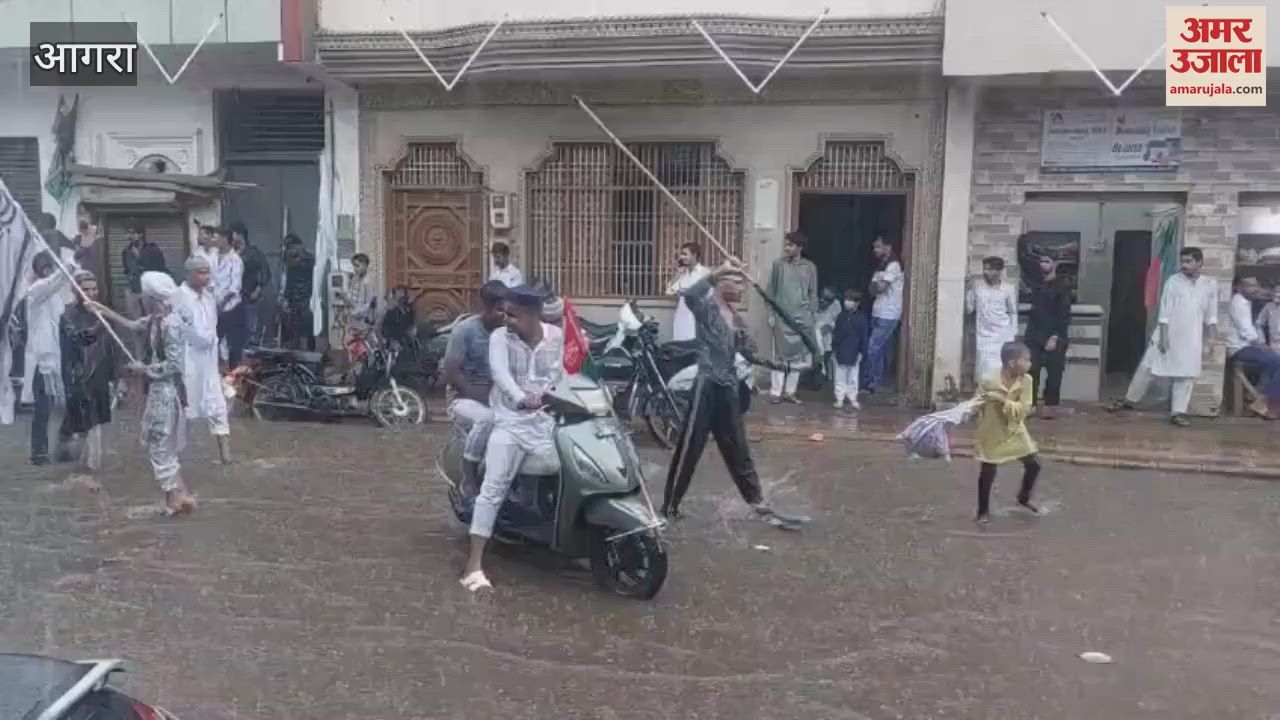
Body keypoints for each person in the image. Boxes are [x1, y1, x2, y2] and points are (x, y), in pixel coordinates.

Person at [662, 257, 796, 527]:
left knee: (738, 448)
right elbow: (688, 295)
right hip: (707, 384)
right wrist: (716, 271)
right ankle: (669, 506)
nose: (741, 287)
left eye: (742, 282)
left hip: (729, 387)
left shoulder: (736, 318)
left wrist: (784, 365)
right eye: (735, 281)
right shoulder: (707, 308)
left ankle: (756, 501)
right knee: (690, 447)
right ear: (721, 284)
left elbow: (750, 353)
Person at [461, 284, 564, 592]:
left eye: (513, 315)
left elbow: (562, 372)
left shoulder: (556, 337)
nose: (506, 319)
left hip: (547, 423)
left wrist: (559, 393)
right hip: (510, 423)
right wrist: (521, 398)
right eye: (504, 313)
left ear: (534, 316)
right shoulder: (499, 338)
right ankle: (473, 565)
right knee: (493, 488)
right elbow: (500, 374)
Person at [1106, 247, 1218, 427]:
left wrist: (1212, 339)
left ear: (1199, 262)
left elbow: (1211, 315)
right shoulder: (1173, 281)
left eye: (1189, 261)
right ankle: (1129, 400)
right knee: (1148, 367)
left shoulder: (1209, 284)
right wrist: (1164, 337)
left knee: (1186, 375)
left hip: (1192, 336)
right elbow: (1164, 312)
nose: (1184, 265)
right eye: (1183, 261)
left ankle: (1178, 412)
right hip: (1167, 333)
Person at [444, 281, 507, 495]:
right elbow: (451, 373)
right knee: (487, 419)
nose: (504, 316)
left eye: (507, 310)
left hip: (500, 399)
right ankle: (469, 478)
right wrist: (481, 396)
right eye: (499, 310)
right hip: (464, 399)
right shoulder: (465, 331)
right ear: (486, 308)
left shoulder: (509, 332)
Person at [973, 341, 1042, 525]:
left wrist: (1002, 400)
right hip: (992, 429)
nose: (1029, 364)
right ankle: (982, 511)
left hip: (1015, 428)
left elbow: (1023, 410)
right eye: (1026, 360)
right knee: (988, 470)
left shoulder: (1027, 380)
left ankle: (1024, 497)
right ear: (1013, 363)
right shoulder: (989, 379)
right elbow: (976, 402)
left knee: (1034, 463)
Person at [58, 271, 116, 481]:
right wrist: (101, 324)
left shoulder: (99, 312)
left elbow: (109, 349)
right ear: (76, 291)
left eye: (94, 289)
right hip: (77, 376)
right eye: (86, 289)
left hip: (99, 374)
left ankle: (86, 468)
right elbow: (80, 338)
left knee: (96, 421)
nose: (91, 293)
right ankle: (91, 469)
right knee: (88, 422)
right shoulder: (67, 315)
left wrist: (114, 377)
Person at [178, 255, 233, 462]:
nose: (206, 276)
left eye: (208, 271)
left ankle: (226, 457)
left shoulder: (210, 296)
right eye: (201, 272)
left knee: (218, 405)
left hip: (209, 362)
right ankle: (176, 458)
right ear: (189, 274)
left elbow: (213, 328)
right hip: (187, 361)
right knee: (185, 410)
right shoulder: (178, 297)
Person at [22, 252, 70, 465]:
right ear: (37, 270)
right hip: (41, 362)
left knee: (64, 406)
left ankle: (63, 447)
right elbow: (53, 282)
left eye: (49, 266)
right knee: (42, 408)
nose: (47, 270)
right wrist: (66, 265)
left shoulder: (57, 297)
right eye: (43, 267)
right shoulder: (34, 293)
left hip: (60, 357)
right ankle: (38, 451)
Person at [766, 231, 818, 404]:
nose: (786, 248)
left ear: (799, 248)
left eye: (790, 245)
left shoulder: (809, 267)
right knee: (779, 355)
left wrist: (811, 315)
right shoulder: (778, 265)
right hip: (781, 317)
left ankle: (790, 392)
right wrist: (771, 313)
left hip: (801, 318)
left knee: (798, 357)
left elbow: (813, 293)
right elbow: (770, 291)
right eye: (786, 245)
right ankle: (775, 391)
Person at [1024, 255, 1073, 419]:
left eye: (1047, 262)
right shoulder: (1036, 284)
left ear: (1055, 264)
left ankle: (1050, 405)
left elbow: (1063, 314)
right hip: (1034, 334)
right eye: (1041, 262)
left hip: (1055, 335)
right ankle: (1029, 404)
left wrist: (1055, 336)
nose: (1043, 265)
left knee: (1054, 372)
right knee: (1031, 371)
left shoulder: (1062, 286)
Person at [1226, 275, 1280, 420]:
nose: (1254, 288)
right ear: (1238, 287)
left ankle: (1258, 400)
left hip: (1246, 346)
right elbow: (1246, 330)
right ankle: (1271, 407)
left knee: (1274, 364)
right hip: (1239, 349)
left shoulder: (1246, 300)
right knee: (1277, 362)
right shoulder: (1239, 303)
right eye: (1249, 285)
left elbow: (1266, 293)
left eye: (1255, 285)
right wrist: (1261, 345)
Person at [966, 256, 1018, 387]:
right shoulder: (979, 289)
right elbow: (969, 309)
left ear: (998, 271)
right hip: (984, 336)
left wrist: (1013, 332)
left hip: (1003, 335)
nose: (986, 273)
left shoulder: (1008, 289)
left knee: (1002, 368)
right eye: (985, 269)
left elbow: (1012, 311)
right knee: (985, 370)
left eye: (989, 269)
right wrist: (969, 290)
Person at [863, 236, 904, 394]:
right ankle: (875, 383)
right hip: (878, 310)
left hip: (889, 313)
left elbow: (879, 287)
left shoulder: (893, 265)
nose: (876, 251)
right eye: (875, 247)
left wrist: (875, 286)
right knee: (878, 349)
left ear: (888, 247)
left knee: (873, 347)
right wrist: (875, 286)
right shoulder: (882, 265)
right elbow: (873, 288)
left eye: (879, 247)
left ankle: (873, 381)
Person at [231, 222, 271, 347]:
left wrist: (258, 289)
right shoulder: (230, 253)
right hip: (232, 297)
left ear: (239, 235)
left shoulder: (254, 253)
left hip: (249, 295)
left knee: (250, 327)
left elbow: (265, 272)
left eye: (232, 234)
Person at [211, 227, 246, 368]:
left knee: (231, 344)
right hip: (212, 305)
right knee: (214, 342)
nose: (215, 240)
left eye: (217, 237)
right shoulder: (212, 257)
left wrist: (221, 304)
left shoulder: (235, 260)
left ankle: (231, 374)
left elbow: (234, 288)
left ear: (225, 239)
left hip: (230, 307)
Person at [831, 289, 869, 413]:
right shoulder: (841, 317)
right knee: (840, 376)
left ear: (857, 303)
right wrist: (833, 348)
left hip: (854, 352)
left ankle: (852, 398)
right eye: (846, 300)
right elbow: (836, 334)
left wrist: (862, 352)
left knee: (853, 377)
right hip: (841, 351)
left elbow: (864, 337)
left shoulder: (862, 319)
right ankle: (839, 399)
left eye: (850, 300)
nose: (847, 302)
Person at [666, 242, 710, 342]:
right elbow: (669, 291)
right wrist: (678, 273)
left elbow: (710, 296)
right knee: (680, 344)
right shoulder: (683, 273)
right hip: (681, 315)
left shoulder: (704, 273)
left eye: (685, 254)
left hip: (696, 316)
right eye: (681, 254)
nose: (682, 257)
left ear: (694, 255)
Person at [280, 235, 316, 351]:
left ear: (298, 246)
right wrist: (286, 298)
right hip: (293, 299)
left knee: (308, 330)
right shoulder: (289, 259)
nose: (290, 251)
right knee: (294, 330)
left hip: (307, 298)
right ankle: (295, 354)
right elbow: (289, 279)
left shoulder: (310, 258)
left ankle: (310, 355)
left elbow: (313, 278)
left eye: (291, 248)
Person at [342, 253, 377, 361]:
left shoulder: (368, 282)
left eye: (358, 266)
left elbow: (368, 305)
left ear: (365, 265)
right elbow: (352, 298)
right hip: (354, 320)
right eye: (354, 266)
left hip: (363, 322)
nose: (355, 269)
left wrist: (354, 311)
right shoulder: (355, 279)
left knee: (367, 349)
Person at [121, 222, 149, 316]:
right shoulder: (126, 249)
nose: (129, 236)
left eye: (132, 233)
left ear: (140, 234)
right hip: (133, 284)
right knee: (135, 314)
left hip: (146, 285)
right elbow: (126, 267)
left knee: (148, 311)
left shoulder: (148, 249)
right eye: (128, 233)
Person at [1257, 281, 1280, 352]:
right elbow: (1258, 323)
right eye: (1275, 291)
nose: (1277, 294)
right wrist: (1262, 341)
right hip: (1274, 344)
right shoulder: (1269, 306)